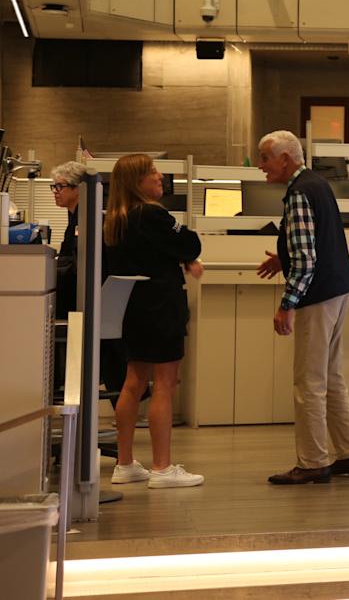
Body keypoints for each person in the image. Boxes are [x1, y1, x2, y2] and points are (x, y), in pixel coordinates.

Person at [255, 130, 349, 484]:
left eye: (265, 158)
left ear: (285, 159)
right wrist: (282, 258)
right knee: (331, 377)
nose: (260, 166)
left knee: (309, 382)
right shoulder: (317, 184)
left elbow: (305, 260)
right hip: (338, 289)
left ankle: (314, 461)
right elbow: (313, 243)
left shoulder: (299, 192)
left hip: (316, 296)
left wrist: (287, 304)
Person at [104, 154, 205, 489]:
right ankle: (162, 467)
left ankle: (125, 463)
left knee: (133, 382)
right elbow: (190, 243)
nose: (159, 176)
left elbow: (161, 250)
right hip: (160, 306)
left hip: (132, 307)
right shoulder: (151, 214)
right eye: (152, 172)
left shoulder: (116, 219)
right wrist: (186, 256)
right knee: (164, 384)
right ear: (137, 181)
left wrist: (181, 256)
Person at [50, 161, 128, 407]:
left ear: (78, 189)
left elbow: (76, 266)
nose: (55, 192)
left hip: (90, 304)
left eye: (60, 186)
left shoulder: (88, 219)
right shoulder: (77, 218)